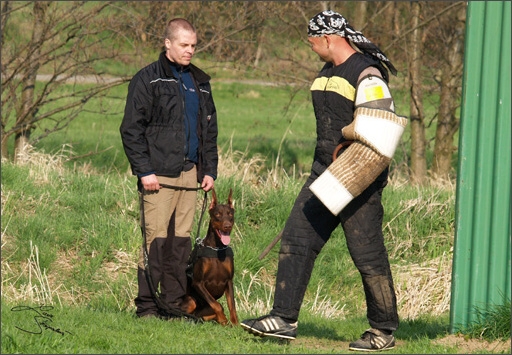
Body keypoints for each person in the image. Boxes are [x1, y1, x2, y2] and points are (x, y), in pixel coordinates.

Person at [241, 10, 401, 352]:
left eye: (312, 42)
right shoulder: (327, 71)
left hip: (358, 176)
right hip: (323, 171)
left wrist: (350, 154)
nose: (311, 48)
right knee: (298, 239)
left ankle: (383, 330)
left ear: (329, 39)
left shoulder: (368, 74)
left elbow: (382, 134)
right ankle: (283, 319)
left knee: (367, 254)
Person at [120, 18, 218, 319]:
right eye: (184, 45)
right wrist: (144, 170)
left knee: (181, 243)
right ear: (168, 43)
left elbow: (210, 131)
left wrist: (209, 171)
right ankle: (148, 307)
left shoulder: (200, 82)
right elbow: (131, 129)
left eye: (193, 46)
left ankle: (175, 304)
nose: (190, 51)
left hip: (190, 174)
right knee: (156, 241)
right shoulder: (147, 79)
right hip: (158, 175)